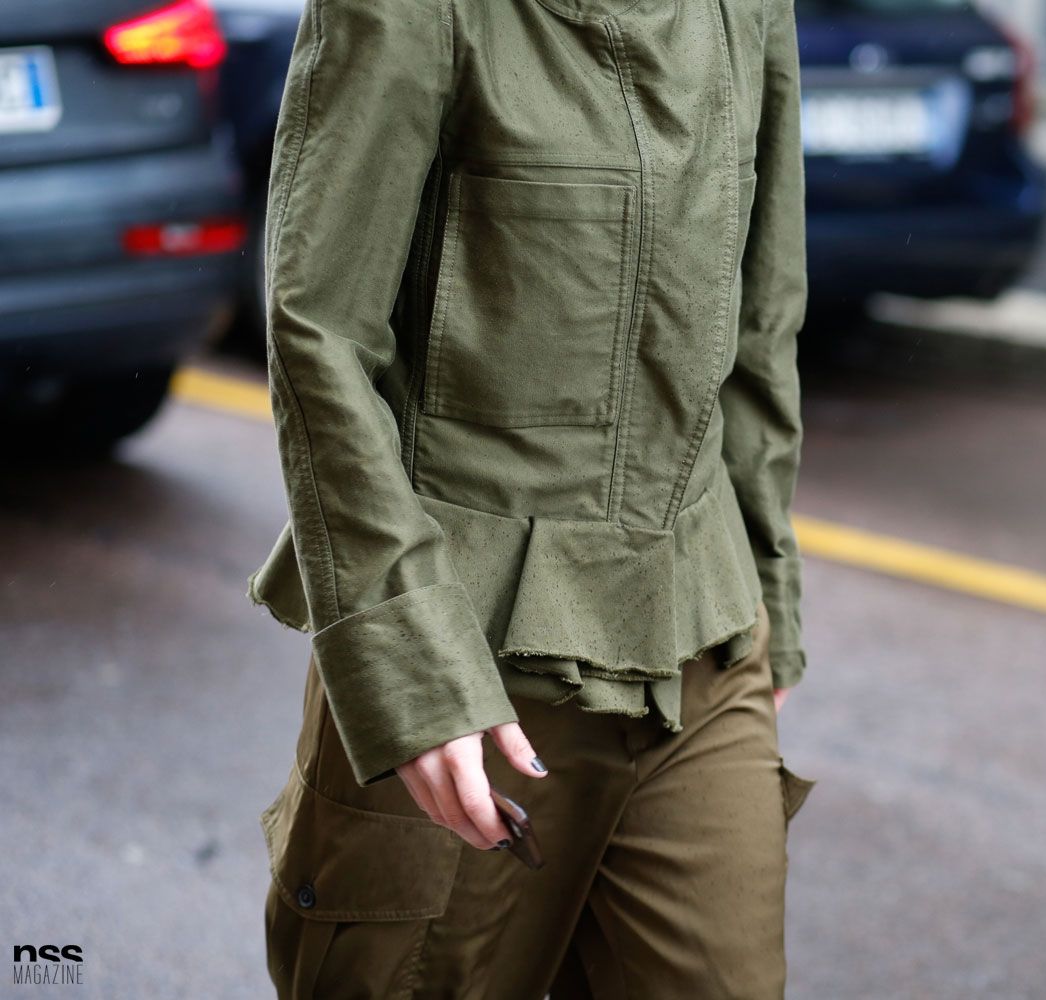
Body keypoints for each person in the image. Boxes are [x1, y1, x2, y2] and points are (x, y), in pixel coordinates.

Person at [245, 0, 816, 994]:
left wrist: (770, 596)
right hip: (468, 656)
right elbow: (319, 337)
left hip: (704, 637)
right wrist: (412, 675)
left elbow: (762, 315)